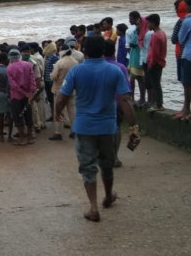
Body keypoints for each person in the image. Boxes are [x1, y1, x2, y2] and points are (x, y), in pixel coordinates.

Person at [55, 36, 139, 223]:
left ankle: (93, 208)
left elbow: (62, 97)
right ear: (103, 51)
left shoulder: (76, 71)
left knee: (87, 167)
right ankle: (108, 196)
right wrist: (133, 126)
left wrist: (57, 114)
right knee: (106, 163)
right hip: (108, 126)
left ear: (84, 50)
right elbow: (125, 100)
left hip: (84, 127)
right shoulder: (114, 70)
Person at [104, 40, 131, 168]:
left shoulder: (97, 67)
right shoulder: (120, 67)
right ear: (114, 51)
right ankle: (114, 157)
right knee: (116, 129)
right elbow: (126, 91)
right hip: (116, 104)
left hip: (100, 104)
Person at [7, 48, 36, 146]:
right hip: (28, 95)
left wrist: (23, 93)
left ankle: (22, 139)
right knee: (28, 116)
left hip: (16, 96)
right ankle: (30, 138)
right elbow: (32, 80)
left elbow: (13, 85)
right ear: (19, 55)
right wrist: (30, 93)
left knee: (18, 117)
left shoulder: (10, 68)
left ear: (10, 57)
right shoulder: (27, 65)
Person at [49, 45, 79, 141]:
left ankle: (58, 132)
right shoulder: (75, 62)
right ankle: (74, 131)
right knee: (72, 111)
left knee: (58, 110)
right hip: (72, 90)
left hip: (59, 89)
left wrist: (50, 74)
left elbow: (53, 76)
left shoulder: (60, 62)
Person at [171, 0, 190, 119]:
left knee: (186, 83)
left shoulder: (181, 21)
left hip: (182, 54)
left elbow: (174, 39)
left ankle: (186, 108)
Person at [146, 14, 167, 112]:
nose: (147, 25)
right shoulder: (162, 33)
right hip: (160, 62)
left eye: (149, 23)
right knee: (157, 84)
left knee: (155, 85)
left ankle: (158, 105)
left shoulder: (155, 36)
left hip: (155, 63)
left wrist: (150, 64)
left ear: (154, 23)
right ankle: (159, 104)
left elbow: (154, 53)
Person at [128, 11, 146, 107]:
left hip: (137, 57)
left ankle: (142, 98)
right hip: (134, 56)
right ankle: (134, 98)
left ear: (136, 19)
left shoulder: (139, 29)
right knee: (133, 78)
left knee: (139, 78)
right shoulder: (137, 28)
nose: (129, 20)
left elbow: (133, 43)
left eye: (131, 18)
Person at [0, 52, 12, 142]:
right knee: (9, 116)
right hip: (8, 93)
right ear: (4, 60)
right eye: (7, 59)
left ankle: (1, 135)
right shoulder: (8, 70)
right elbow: (9, 84)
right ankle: (9, 136)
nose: (8, 61)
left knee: (1, 116)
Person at [43, 42, 59, 121]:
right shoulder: (47, 56)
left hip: (51, 81)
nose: (45, 47)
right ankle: (52, 115)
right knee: (50, 99)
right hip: (46, 80)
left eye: (47, 46)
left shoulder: (54, 57)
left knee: (53, 99)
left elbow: (56, 69)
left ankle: (54, 115)